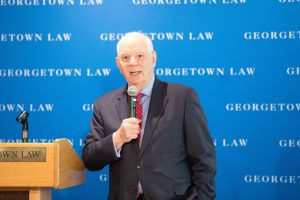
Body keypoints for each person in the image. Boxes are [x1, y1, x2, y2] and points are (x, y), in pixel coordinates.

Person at [82, 31, 216, 200]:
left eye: (140, 55)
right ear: (118, 64)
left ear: (153, 59)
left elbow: (204, 158)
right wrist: (117, 138)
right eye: (125, 58)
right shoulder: (103, 105)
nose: (132, 63)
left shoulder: (183, 97)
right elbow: (90, 159)